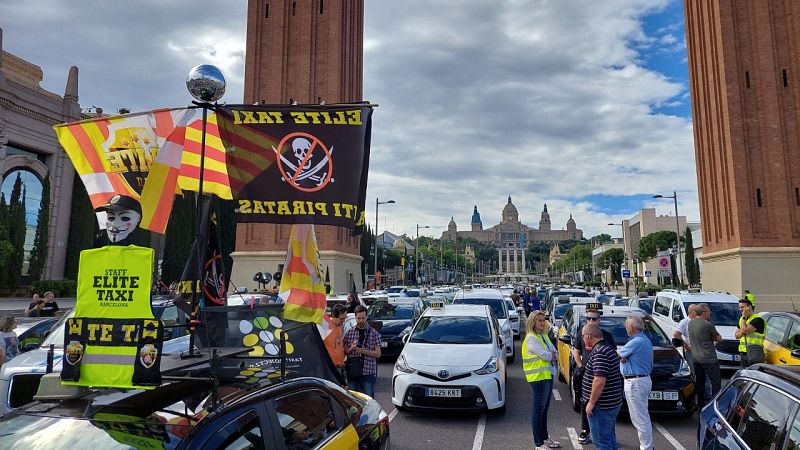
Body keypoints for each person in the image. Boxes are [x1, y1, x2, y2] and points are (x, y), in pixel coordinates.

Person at [571, 308, 616, 445]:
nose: (590, 321)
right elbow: (576, 351)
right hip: (587, 372)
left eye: (593, 319)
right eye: (588, 319)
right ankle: (586, 430)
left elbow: (600, 379)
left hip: (599, 377)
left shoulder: (605, 339)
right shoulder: (581, 333)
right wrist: (581, 367)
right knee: (585, 403)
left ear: (599, 320)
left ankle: (603, 436)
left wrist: (592, 402)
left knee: (602, 438)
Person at [581, 322, 623, 450]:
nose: (582, 339)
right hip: (609, 403)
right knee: (609, 440)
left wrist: (591, 402)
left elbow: (599, 380)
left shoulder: (600, 352)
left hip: (602, 406)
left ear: (588, 336)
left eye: (583, 336)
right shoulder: (607, 348)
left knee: (601, 443)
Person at [523, 310, 560, 450]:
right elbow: (547, 355)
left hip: (547, 375)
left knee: (544, 410)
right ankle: (538, 443)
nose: (542, 322)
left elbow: (554, 351)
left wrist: (551, 354)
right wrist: (551, 354)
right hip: (537, 378)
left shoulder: (543, 335)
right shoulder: (531, 338)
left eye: (543, 320)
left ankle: (545, 438)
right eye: (539, 320)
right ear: (533, 322)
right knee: (538, 410)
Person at [618, 316, 653, 450]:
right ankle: (647, 446)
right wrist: (624, 358)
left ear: (631, 328)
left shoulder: (636, 341)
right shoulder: (643, 340)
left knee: (640, 418)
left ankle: (646, 447)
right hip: (641, 380)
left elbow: (618, 356)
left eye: (627, 326)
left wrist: (623, 358)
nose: (626, 329)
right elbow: (623, 357)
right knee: (642, 416)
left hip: (635, 382)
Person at [688, 303, 723, 407]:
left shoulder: (691, 323)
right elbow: (719, 338)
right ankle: (714, 404)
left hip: (696, 359)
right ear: (703, 313)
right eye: (708, 311)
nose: (710, 313)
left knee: (700, 383)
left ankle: (700, 404)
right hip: (709, 359)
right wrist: (713, 338)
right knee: (715, 382)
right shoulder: (708, 325)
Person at [343, 305, 381, 397]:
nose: (361, 321)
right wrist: (352, 348)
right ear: (355, 317)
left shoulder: (374, 333)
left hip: (368, 372)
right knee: (352, 399)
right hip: (353, 371)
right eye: (358, 318)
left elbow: (378, 354)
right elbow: (345, 352)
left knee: (368, 399)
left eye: (363, 318)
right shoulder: (350, 333)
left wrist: (364, 351)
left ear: (367, 317)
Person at [735, 298, 765, 367]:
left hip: (754, 352)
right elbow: (736, 336)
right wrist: (743, 331)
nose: (740, 309)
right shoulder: (742, 319)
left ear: (749, 307)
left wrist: (744, 318)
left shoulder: (758, 319)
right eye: (739, 307)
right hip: (743, 352)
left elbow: (744, 330)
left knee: (753, 374)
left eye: (742, 307)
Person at [324, 304, 348, 381]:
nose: (343, 321)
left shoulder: (340, 326)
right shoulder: (325, 327)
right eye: (341, 319)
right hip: (330, 368)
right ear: (334, 316)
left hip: (340, 367)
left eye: (344, 318)